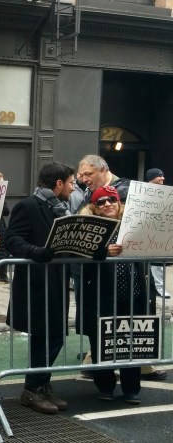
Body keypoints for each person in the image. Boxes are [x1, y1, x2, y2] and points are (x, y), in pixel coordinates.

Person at [6, 161, 74, 415]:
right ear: (58, 184)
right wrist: (36, 252)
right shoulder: (28, 205)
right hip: (35, 284)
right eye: (71, 182)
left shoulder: (63, 208)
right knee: (45, 338)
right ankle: (32, 389)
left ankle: (41, 385)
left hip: (57, 282)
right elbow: (11, 239)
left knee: (54, 336)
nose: (73, 186)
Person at [76, 186, 145, 404]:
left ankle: (131, 389)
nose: (107, 204)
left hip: (132, 296)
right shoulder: (90, 228)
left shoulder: (133, 226)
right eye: (101, 202)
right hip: (102, 296)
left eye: (111, 200)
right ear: (94, 207)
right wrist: (103, 253)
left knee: (132, 342)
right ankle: (105, 386)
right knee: (101, 342)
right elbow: (79, 256)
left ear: (119, 203)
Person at [145, 168, 171, 299]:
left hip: (159, 231)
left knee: (158, 263)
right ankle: (155, 287)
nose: (162, 178)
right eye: (159, 176)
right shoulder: (144, 193)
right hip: (145, 231)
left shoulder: (165, 192)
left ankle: (159, 287)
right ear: (152, 178)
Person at [0, 170, 11, 283]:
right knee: (1, 250)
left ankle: (2, 276)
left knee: (0, 250)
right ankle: (2, 276)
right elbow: (6, 211)